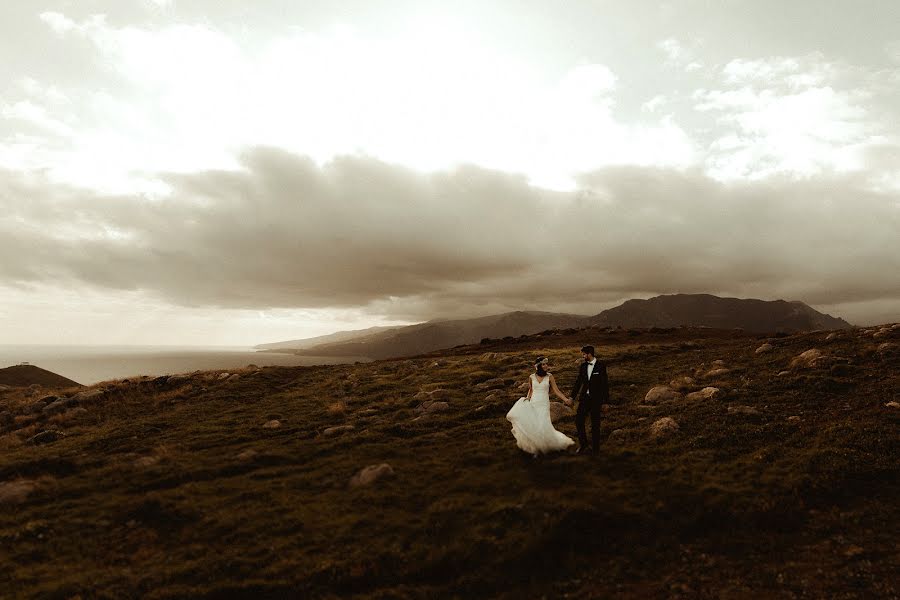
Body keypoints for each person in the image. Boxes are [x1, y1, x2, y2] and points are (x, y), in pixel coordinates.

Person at [506, 356, 575, 456]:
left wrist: (565, 399)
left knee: (543, 423)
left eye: (546, 364)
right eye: (543, 364)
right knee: (535, 424)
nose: (546, 365)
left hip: (543, 403)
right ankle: (537, 447)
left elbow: (556, 390)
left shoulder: (550, 376)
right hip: (534, 402)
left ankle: (544, 446)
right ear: (538, 366)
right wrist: (527, 398)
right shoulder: (531, 377)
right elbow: (531, 390)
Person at [569, 345, 609, 456]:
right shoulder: (583, 366)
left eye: (584, 354)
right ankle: (583, 445)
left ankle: (596, 450)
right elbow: (578, 382)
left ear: (589, 354)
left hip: (596, 400)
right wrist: (572, 396)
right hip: (584, 399)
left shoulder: (601, 366)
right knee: (578, 421)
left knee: (595, 424)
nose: (583, 356)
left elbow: (605, 384)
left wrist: (606, 402)